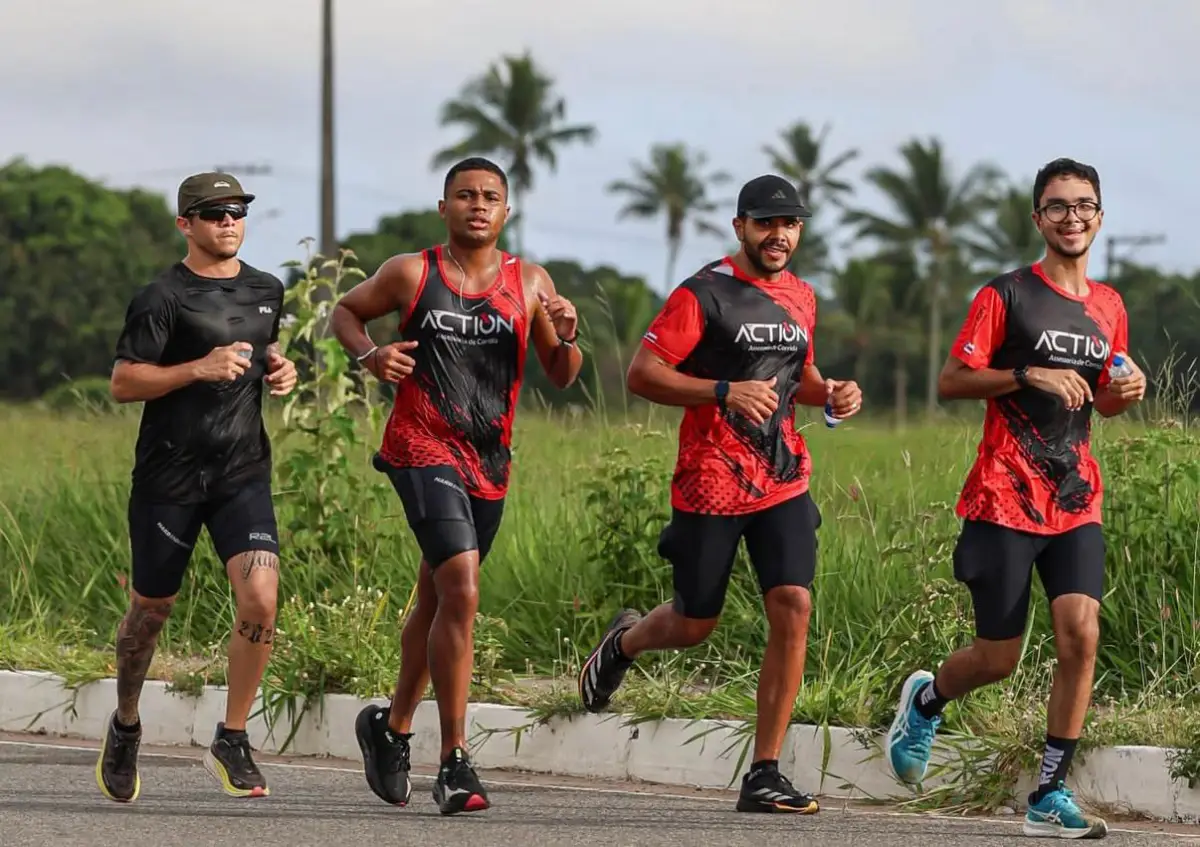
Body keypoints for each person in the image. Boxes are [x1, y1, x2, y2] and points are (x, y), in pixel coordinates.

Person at [576, 174, 863, 815]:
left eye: (789, 224)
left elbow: (800, 376)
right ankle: (625, 641)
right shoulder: (702, 294)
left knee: (793, 604)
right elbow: (642, 373)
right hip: (710, 479)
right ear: (740, 228)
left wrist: (833, 392)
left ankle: (764, 771)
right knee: (694, 622)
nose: (778, 235)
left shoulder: (801, 298)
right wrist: (722, 391)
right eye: (765, 223)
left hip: (783, 477)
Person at [884, 158, 1146, 839]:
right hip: (1003, 495)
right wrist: (1028, 372)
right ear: (1038, 218)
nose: (1072, 217)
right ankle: (928, 698)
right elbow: (951, 380)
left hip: (1075, 496)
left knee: (1079, 634)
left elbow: (1106, 398)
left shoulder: (1110, 306)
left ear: (1100, 215)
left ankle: (1049, 792)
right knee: (998, 656)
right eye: (1057, 206)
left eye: (1083, 204)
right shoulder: (1006, 296)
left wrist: (1126, 391)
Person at [329, 156, 584, 816]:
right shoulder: (412, 272)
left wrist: (569, 334)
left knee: (438, 594)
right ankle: (455, 760)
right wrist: (370, 355)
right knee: (462, 585)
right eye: (464, 195)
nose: (477, 205)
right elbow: (346, 311)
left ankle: (390, 727)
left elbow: (561, 372)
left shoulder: (529, 282)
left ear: (506, 212)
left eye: (490, 197)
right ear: (443, 208)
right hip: (420, 445)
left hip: (488, 461)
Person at [96, 172, 298, 803]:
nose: (228, 222)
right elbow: (124, 383)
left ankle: (232, 737)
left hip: (241, 472)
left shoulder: (267, 289)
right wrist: (196, 369)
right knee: (150, 612)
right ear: (186, 223)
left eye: (237, 211)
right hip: (168, 477)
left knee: (261, 597)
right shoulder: (161, 296)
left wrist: (280, 367)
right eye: (212, 213)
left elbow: (262, 354)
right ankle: (127, 722)